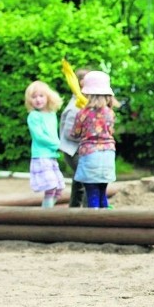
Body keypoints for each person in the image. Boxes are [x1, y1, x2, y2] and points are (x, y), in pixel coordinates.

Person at [70, 71, 117, 209]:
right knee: (103, 193)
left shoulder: (83, 113)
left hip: (90, 155)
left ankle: (94, 226)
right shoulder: (110, 112)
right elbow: (111, 131)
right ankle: (106, 225)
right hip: (108, 155)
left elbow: (75, 133)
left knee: (92, 194)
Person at [24, 80, 65, 208]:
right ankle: (46, 215)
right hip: (41, 156)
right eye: (34, 97)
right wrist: (58, 145)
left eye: (41, 96)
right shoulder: (33, 116)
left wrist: (59, 145)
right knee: (51, 186)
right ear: (29, 100)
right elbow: (39, 136)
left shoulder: (52, 115)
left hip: (51, 155)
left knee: (58, 189)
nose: (38, 100)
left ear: (48, 97)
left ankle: (46, 211)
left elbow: (54, 133)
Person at [59, 67, 90, 207]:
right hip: (73, 151)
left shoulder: (84, 103)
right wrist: (90, 136)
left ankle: (74, 209)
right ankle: (89, 211)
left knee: (79, 181)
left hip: (80, 149)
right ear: (82, 83)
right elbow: (69, 133)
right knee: (88, 178)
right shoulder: (75, 107)